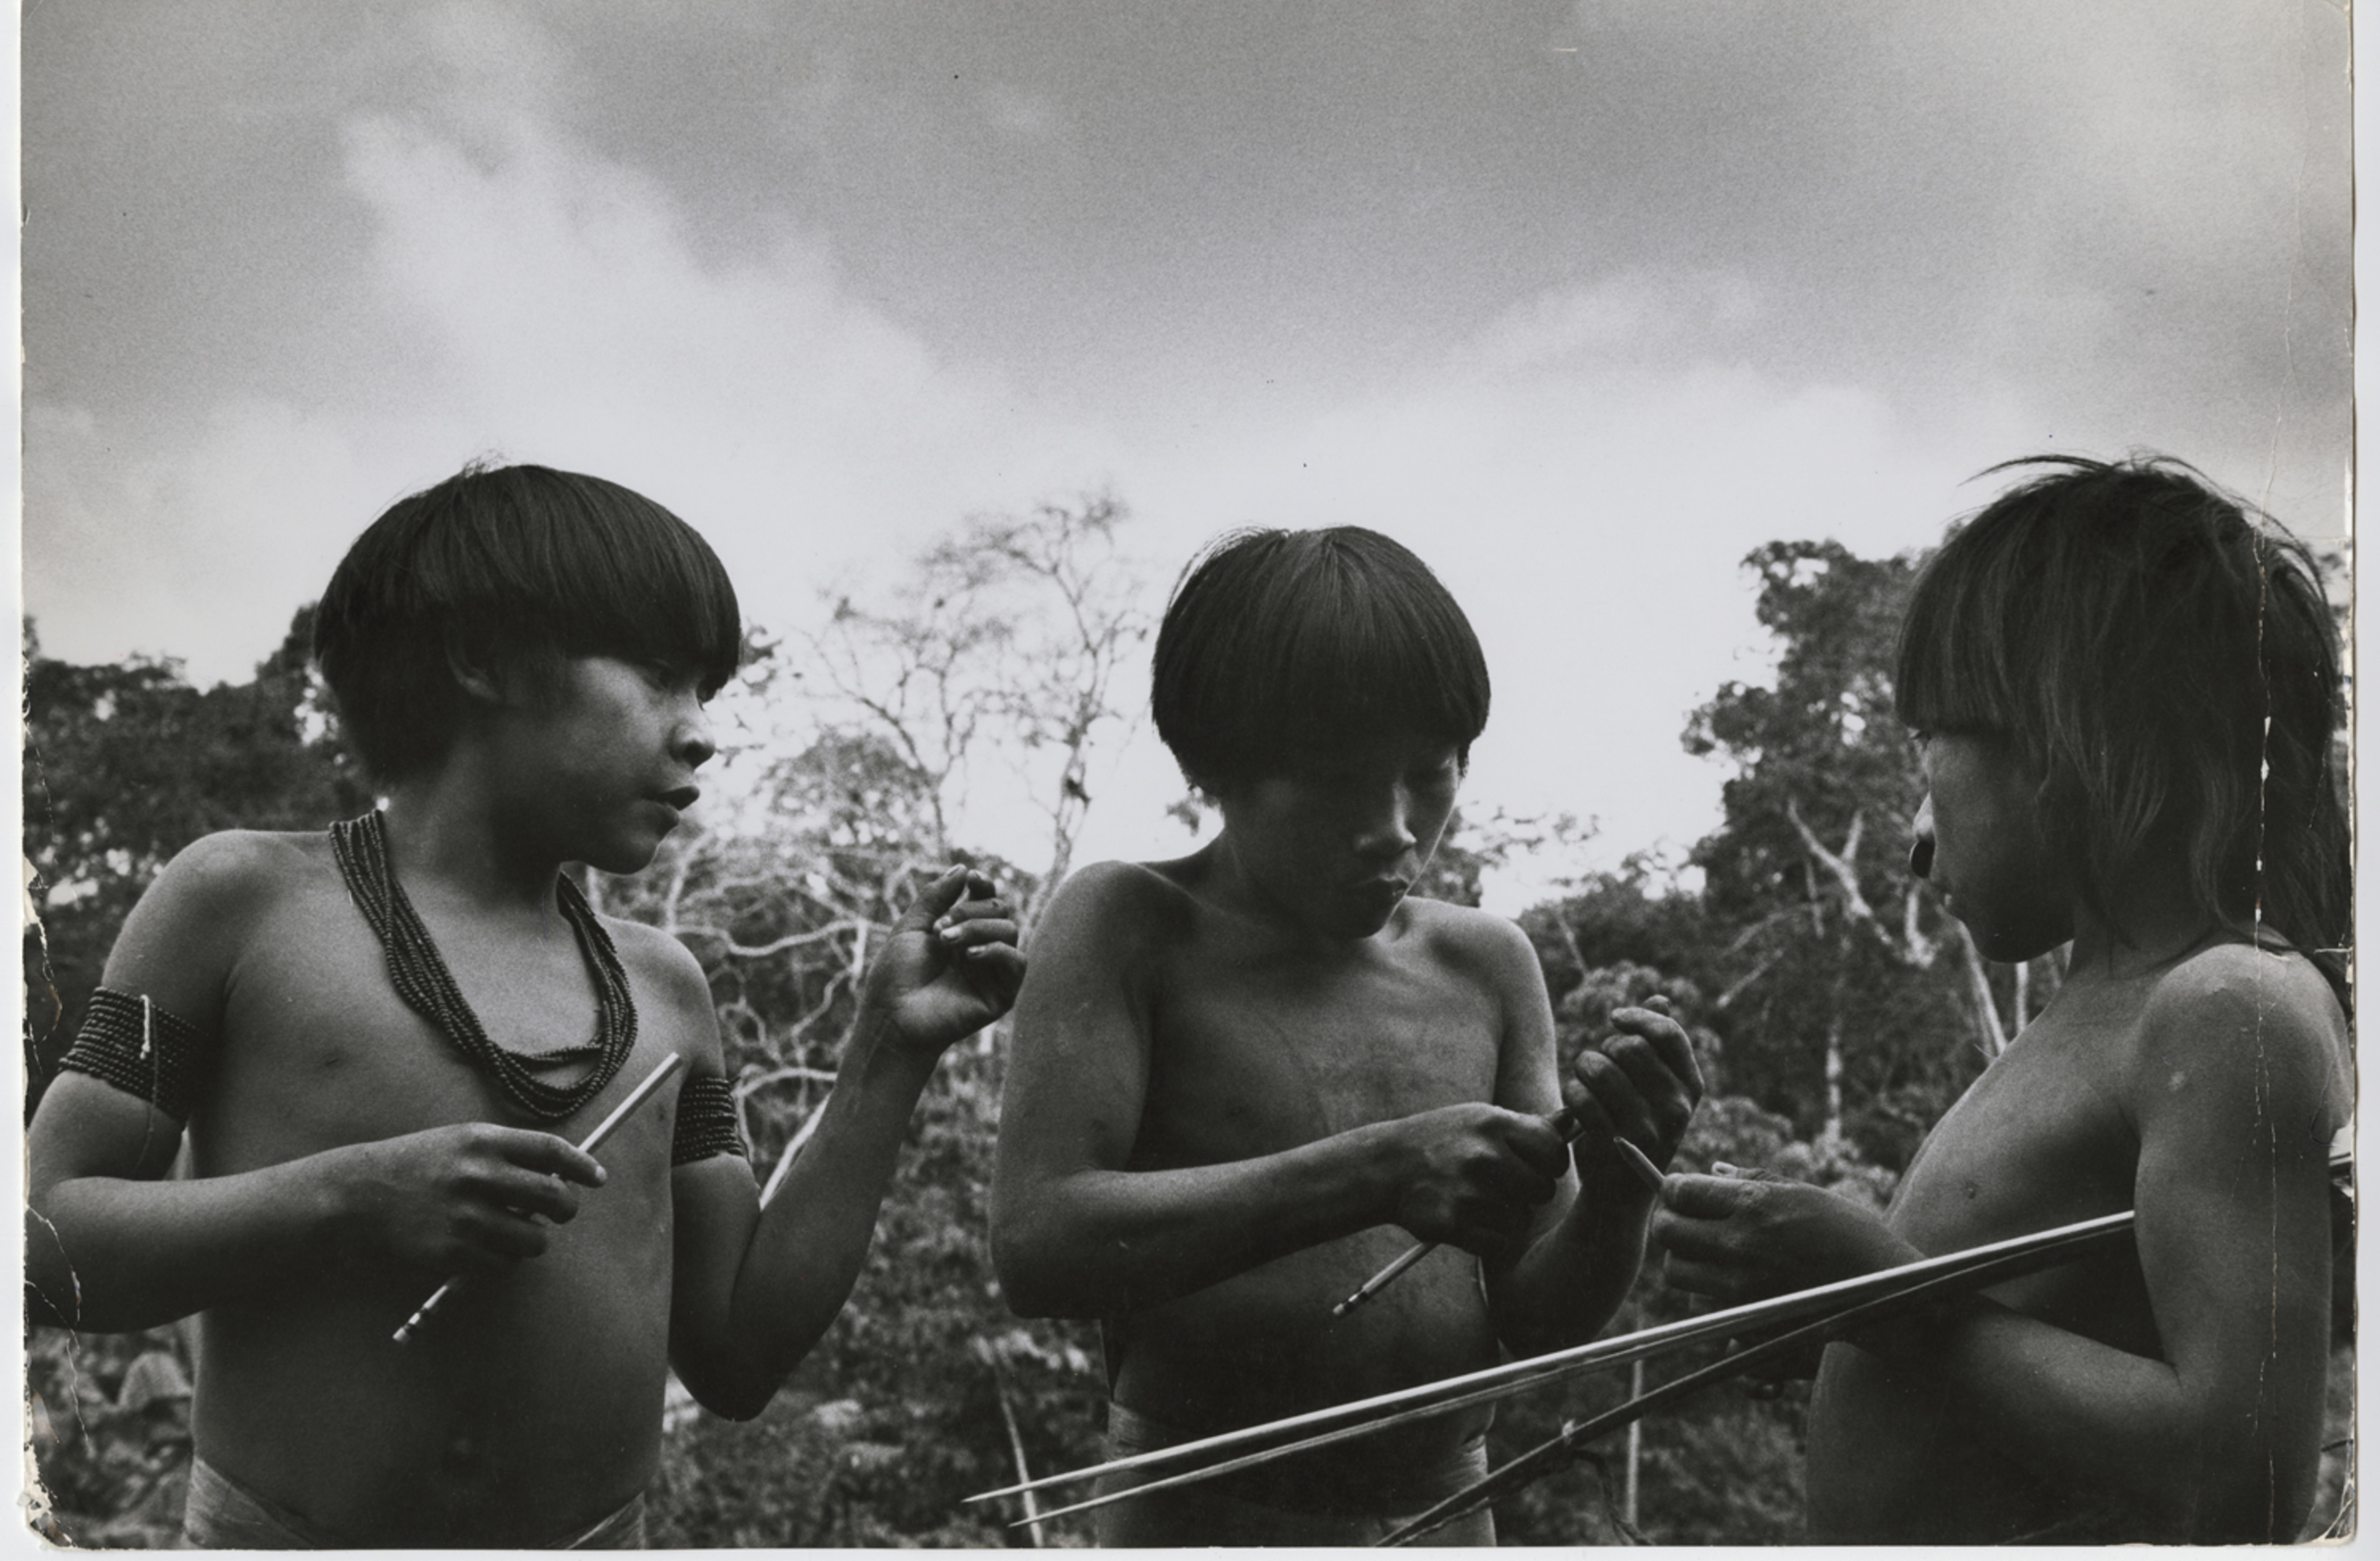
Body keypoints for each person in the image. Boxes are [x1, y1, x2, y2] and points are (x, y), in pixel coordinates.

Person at [26, 463, 1024, 1548]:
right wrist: (351, 1197)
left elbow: (737, 1356)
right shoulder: (243, 902)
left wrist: (888, 1057)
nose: (699, 732)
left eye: (706, 693)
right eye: (657, 676)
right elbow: (38, 1246)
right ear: (480, 659)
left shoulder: (664, 990)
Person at [1653, 456, 2352, 1544]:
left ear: (2063, 738)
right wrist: (1828, 1309)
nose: (1915, 841)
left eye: (1927, 748)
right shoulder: (2110, 1010)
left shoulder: (2224, 1006)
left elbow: (2242, 1478)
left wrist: (1876, 1298)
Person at [989, 525, 1704, 1546]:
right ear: (1213, 767)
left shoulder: (1485, 965)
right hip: (1194, 1515)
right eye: (1337, 781)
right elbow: (1039, 1247)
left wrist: (1622, 1185)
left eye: (1432, 772)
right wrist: (1376, 1171)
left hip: (1446, 1511)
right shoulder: (1130, 925)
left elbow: (1541, 1312)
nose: (1397, 827)